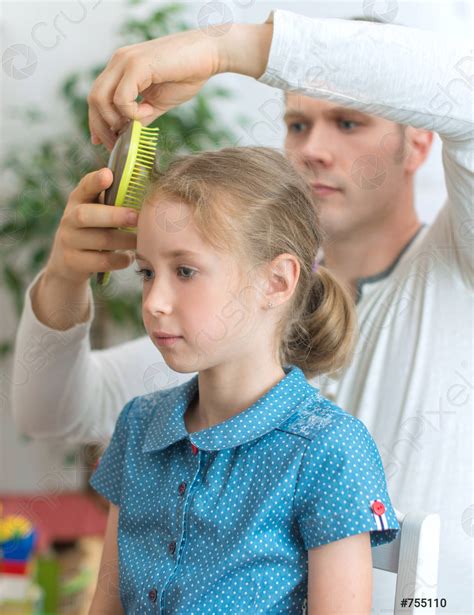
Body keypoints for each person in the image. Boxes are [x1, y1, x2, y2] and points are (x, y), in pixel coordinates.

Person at [11, 9, 472, 612]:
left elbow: (460, 85)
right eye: (297, 124)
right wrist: (67, 276)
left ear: (420, 137)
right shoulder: (212, 327)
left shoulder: (458, 267)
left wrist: (224, 47)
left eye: (348, 121)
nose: (313, 149)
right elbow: (53, 413)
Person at [87, 145, 399, 614]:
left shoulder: (328, 449)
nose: (153, 301)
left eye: (185, 271)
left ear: (276, 282)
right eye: (147, 272)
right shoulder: (139, 425)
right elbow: (105, 605)